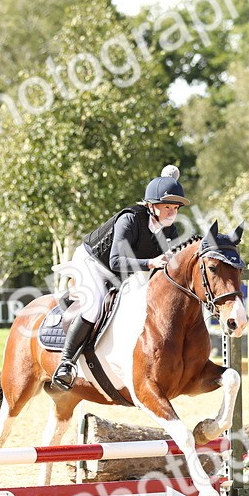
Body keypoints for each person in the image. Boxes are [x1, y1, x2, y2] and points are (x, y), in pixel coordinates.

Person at [50, 165, 189, 390]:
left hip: (126, 269)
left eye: (175, 207)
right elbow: (116, 262)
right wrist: (150, 263)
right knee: (94, 307)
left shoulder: (169, 229)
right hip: (94, 263)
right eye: (167, 207)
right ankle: (66, 363)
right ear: (152, 206)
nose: (172, 212)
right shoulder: (130, 219)